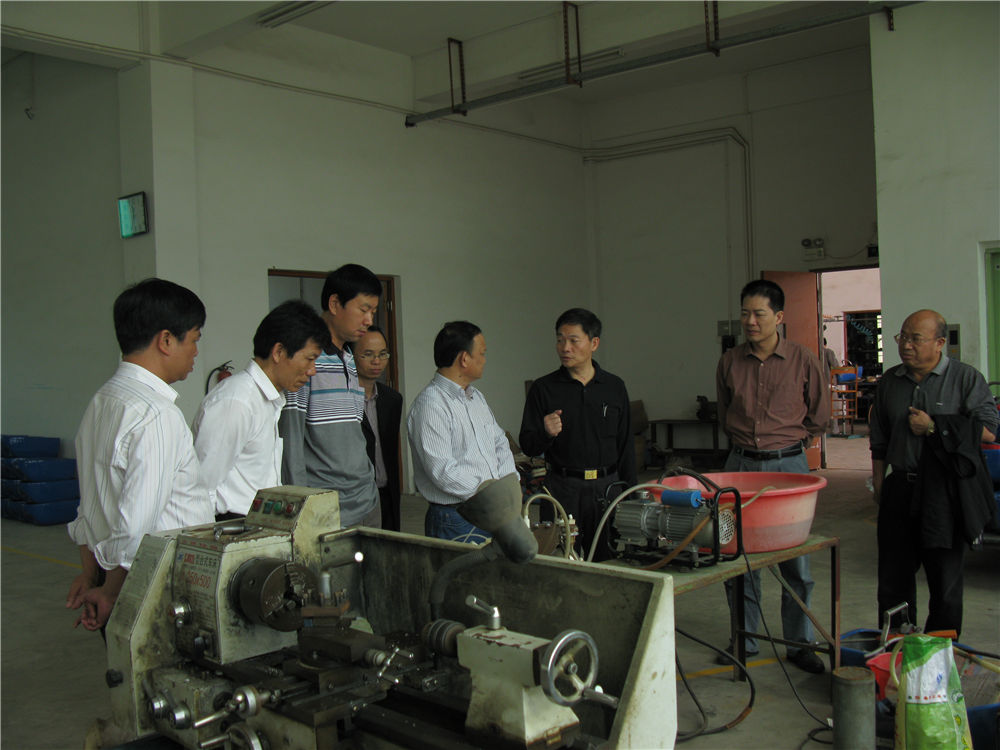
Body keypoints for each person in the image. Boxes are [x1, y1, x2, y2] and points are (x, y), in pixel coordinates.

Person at [66, 278, 213, 631]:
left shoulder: (102, 401)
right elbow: (137, 528)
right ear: (166, 340)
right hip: (156, 587)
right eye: (194, 340)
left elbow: (89, 506)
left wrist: (92, 577)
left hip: (113, 577)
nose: (196, 352)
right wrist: (110, 593)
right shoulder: (156, 415)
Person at [715, 279, 830, 673]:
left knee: (794, 561)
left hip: (788, 468)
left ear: (779, 317)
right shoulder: (729, 362)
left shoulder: (803, 359)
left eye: (759, 314)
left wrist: (788, 445)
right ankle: (744, 639)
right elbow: (724, 413)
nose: (750, 321)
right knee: (735, 555)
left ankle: (799, 643)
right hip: (739, 466)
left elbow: (819, 415)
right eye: (745, 313)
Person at [869, 309, 997, 636]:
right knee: (893, 577)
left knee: (945, 580)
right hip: (901, 486)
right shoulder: (890, 382)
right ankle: (896, 647)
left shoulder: (965, 379)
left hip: (944, 491)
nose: (906, 345)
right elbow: (879, 440)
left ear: (940, 343)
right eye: (902, 337)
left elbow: (989, 431)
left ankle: (940, 652)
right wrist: (880, 483)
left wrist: (934, 427)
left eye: (916, 339)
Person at [192, 301, 329, 519]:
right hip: (230, 524)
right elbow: (200, 489)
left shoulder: (269, 400)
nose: (312, 371)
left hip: (258, 524)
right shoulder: (236, 401)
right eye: (309, 359)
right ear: (278, 352)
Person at [519, 308, 635, 561]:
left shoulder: (614, 387)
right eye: (560, 340)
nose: (565, 348)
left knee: (608, 561)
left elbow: (626, 444)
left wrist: (632, 495)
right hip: (562, 488)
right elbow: (527, 444)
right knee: (560, 560)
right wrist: (546, 433)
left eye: (573, 340)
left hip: (607, 488)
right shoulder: (544, 388)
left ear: (594, 343)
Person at [279, 264, 383, 528]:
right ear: (335, 304)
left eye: (373, 312)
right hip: (327, 510)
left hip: (366, 500)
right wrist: (302, 509)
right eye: (363, 310)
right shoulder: (306, 362)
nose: (369, 320)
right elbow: (291, 443)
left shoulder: (348, 358)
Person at [408, 321, 516, 543]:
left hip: (493, 509)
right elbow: (443, 471)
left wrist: (509, 484)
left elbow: (500, 442)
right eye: (482, 354)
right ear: (464, 359)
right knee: (463, 568)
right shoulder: (431, 405)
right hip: (456, 518)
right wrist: (490, 493)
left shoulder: (476, 398)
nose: (485, 360)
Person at [355, 326, 403, 531]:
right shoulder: (343, 400)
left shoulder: (392, 399)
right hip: (357, 496)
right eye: (368, 354)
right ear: (351, 356)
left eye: (383, 354)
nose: (377, 361)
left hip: (387, 492)